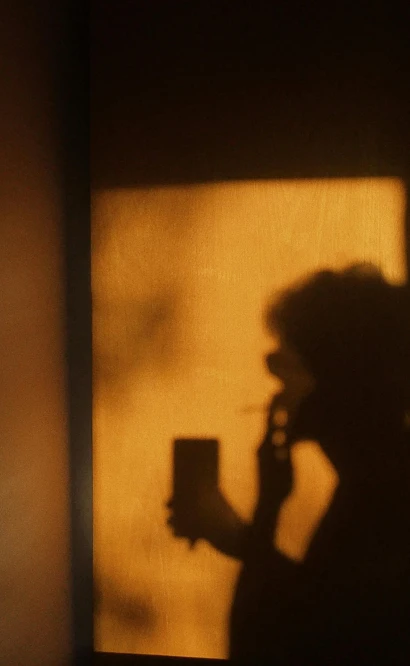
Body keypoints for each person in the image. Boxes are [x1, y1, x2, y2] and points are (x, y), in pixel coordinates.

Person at [167, 264, 410, 663]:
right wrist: (242, 538)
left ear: (338, 377)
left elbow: (266, 644)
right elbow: (322, 604)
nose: (276, 382)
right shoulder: (375, 478)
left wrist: (267, 509)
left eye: (286, 363)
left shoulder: (379, 497)